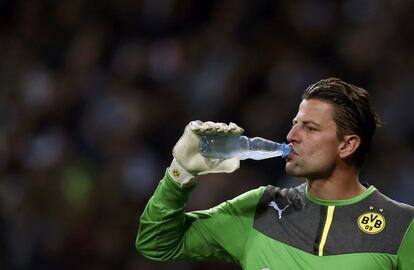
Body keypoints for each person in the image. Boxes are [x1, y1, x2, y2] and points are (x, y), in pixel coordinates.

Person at [135, 78, 414, 269]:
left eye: (310, 128)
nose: (292, 135)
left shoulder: (402, 226)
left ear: (347, 144)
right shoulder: (261, 208)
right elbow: (157, 243)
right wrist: (180, 173)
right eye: (295, 124)